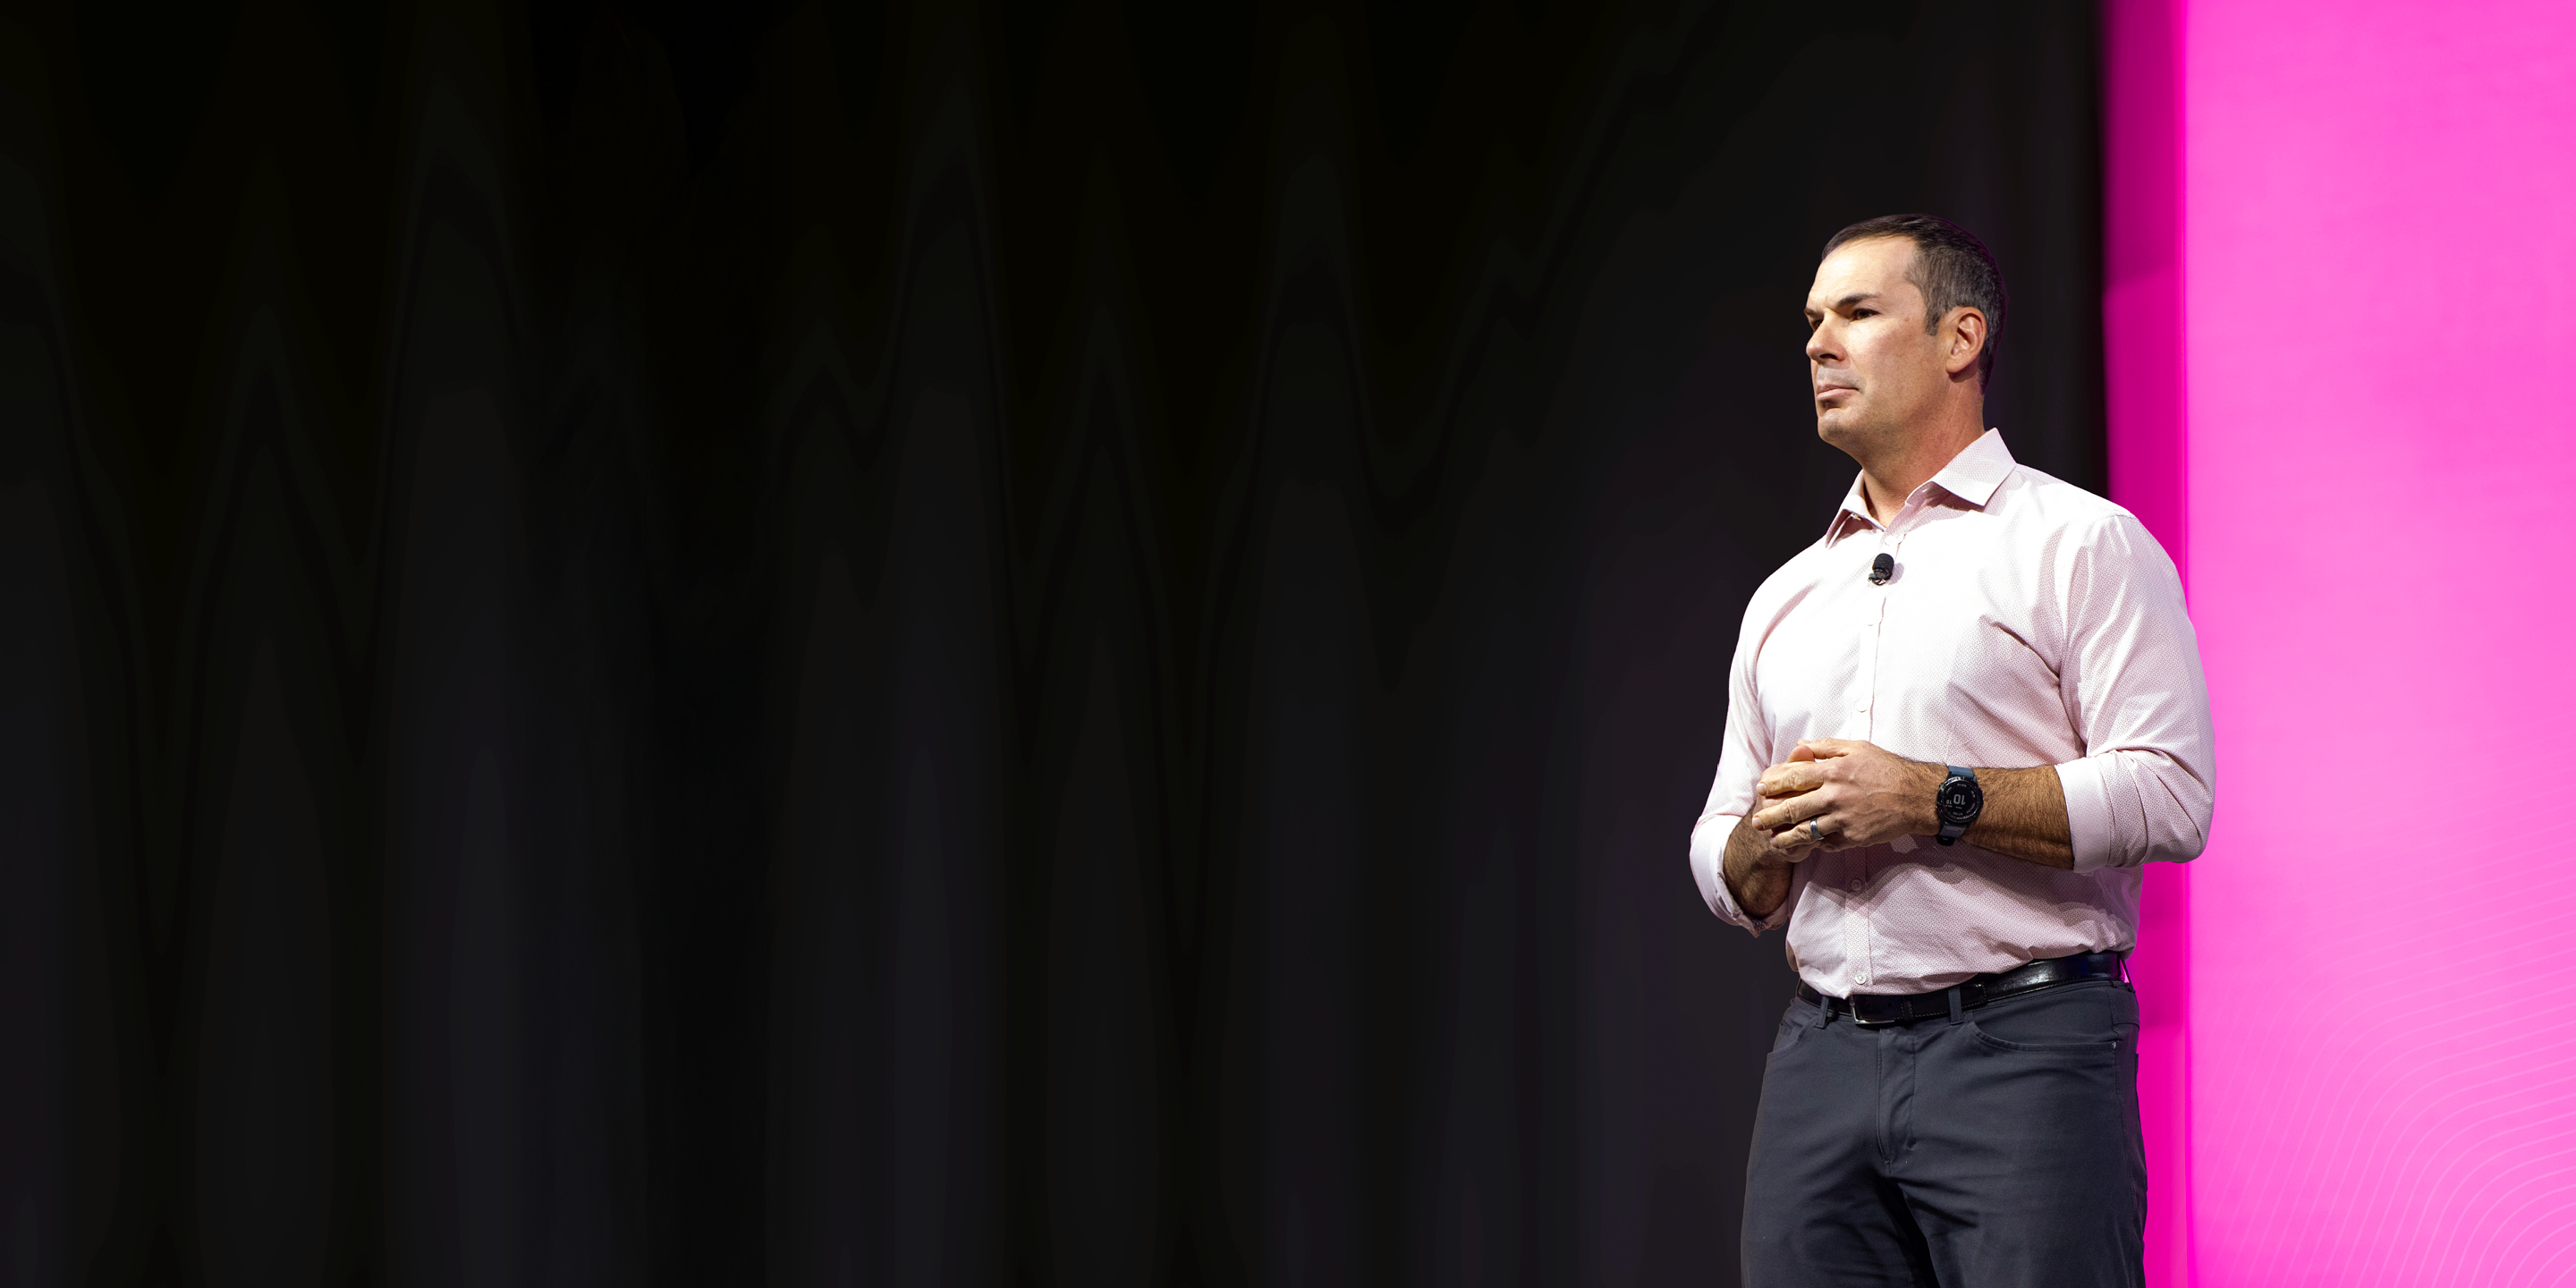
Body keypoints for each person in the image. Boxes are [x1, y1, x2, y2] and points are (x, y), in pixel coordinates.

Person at [1688, 214, 2214, 1287]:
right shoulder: (1787, 596)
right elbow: (1719, 841)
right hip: (1821, 1059)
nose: (1817, 343)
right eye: (1811, 321)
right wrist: (1756, 848)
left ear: (1960, 338)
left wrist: (1932, 798)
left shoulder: (2082, 545)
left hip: (2027, 1047)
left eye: (1857, 313)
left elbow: (2171, 794)